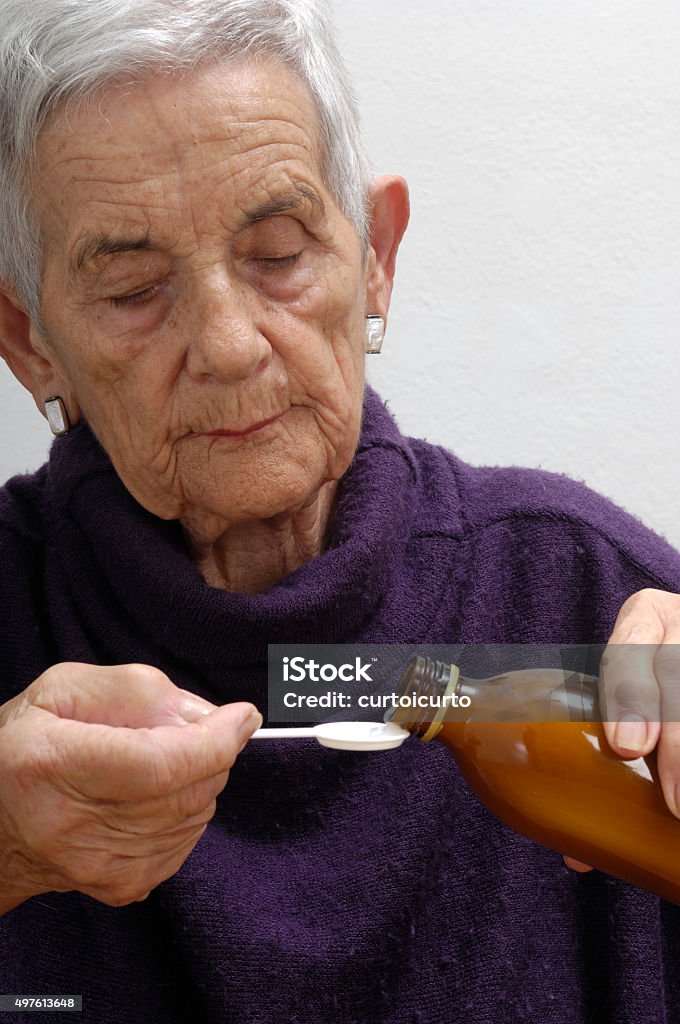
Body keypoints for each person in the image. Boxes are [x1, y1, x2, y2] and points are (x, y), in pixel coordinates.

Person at [1, 1, 680, 1021]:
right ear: (31, 340)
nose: (227, 345)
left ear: (374, 259)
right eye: (135, 287)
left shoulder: (584, 587)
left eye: (276, 254)